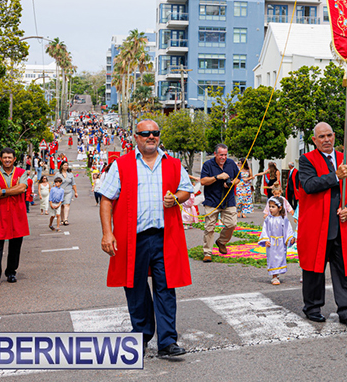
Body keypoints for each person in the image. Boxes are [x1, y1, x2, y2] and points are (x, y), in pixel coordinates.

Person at [99, 119, 194, 359]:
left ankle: (168, 341)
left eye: (155, 133)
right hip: (133, 238)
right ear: (136, 137)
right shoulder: (121, 165)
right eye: (145, 133)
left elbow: (186, 189)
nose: (151, 137)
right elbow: (106, 199)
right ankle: (140, 335)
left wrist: (177, 198)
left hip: (165, 236)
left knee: (166, 287)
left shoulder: (173, 163)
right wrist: (107, 233)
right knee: (135, 287)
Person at [297, 122, 347, 329]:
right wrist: (335, 176)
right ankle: (312, 307)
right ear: (314, 140)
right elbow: (309, 185)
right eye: (321, 137)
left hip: (342, 226)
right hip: (317, 225)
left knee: (346, 270)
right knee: (314, 268)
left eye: (329, 135)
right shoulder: (307, 160)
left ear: (334, 136)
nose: (326, 140)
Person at [0, 148, 30, 286]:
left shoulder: (21, 172)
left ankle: (11, 272)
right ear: (0, 159)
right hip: (0, 213)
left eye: (9, 157)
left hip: (17, 213)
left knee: (15, 245)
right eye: (5, 157)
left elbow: (22, 188)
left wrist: (3, 191)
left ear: (14, 159)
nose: (7, 160)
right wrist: (14, 190)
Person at [199, 144, 240, 263]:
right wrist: (217, 177)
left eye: (225, 155)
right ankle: (207, 253)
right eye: (221, 155)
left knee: (232, 224)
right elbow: (203, 181)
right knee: (209, 227)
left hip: (228, 200)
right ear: (215, 154)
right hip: (212, 200)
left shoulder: (231, 164)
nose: (224, 157)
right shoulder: (208, 165)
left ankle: (221, 241)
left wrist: (232, 182)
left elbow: (238, 178)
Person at [258, 196, 296, 286]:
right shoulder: (268, 219)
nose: (270, 209)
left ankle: (277, 275)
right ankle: (274, 277)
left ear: (280, 208)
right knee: (272, 259)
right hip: (271, 243)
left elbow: (288, 230)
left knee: (280, 258)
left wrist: (290, 238)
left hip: (281, 243)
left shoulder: (284, 219)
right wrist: (266, 240)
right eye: (270, 207)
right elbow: (265, 230)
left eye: (273, 207)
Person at [57, 161, 77, 226]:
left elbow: (73, 184)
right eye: (64, 165)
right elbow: (55, 184)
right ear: (62, 166)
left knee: (67, 204)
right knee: (62, 206)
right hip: (60, 192)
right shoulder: (58, 174)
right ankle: (62, 219)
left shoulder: (70, 175)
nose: (66, 166)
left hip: (69, 191)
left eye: (67, 165)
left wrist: (75, 192)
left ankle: (66, 219)